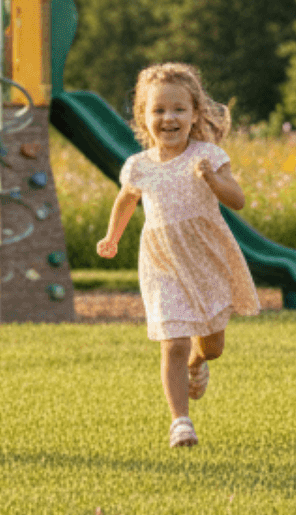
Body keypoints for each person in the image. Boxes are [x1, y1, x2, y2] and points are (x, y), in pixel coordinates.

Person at [98, 62, 259, 448]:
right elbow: (126, 201)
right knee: (173, 341)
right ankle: (180, 422)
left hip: (205, 259)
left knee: (212, 347)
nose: (168, 118)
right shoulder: (138, 166)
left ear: (195, 114)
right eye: (158, 110)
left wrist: (213, 180)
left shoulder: (208, 155)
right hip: (162, 262)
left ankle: (197, 364)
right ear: (143, 116)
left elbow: (237, 200)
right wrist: (112, 236)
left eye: (178, 109)